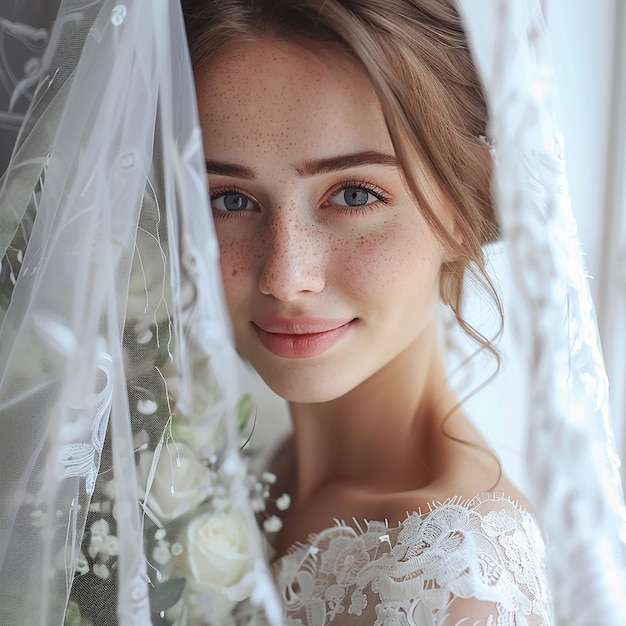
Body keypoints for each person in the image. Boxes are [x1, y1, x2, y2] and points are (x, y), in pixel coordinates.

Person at [182, 1, 553, 623]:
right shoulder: (243, 462)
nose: (286, 277)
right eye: (229, 199)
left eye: (353, 194)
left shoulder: (457, 589)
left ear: (470, 202)